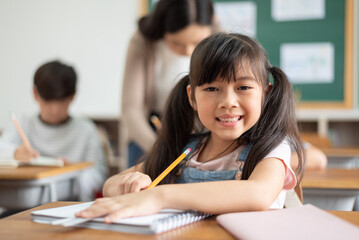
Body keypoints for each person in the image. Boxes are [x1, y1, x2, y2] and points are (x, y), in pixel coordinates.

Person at [76, 32, 305, 222]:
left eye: (243, 87)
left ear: (266, 94)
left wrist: (160, 196)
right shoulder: (188, 150)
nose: (228, 102)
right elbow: (109, 185)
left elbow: (257, 194)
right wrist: (131, 185)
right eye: (212, 89)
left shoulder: (272, 149)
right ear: (192, 98)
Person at [121, 0, 217, 167]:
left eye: (197, 43)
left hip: (204, 132)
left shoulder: (221, 40)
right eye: (176, 43)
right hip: (151, 133)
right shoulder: (143, 42)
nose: (188, 52)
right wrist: (160, 148)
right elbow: (131, 108)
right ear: (162, 27)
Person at [0, 60, 108, 201]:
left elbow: (98, 173)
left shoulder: (86, 130)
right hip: (24, 203)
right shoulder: (25, 124)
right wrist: (15, 153)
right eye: (47, 102)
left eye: (61, 102)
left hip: (70, 204)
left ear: (73, 96)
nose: (54, 110)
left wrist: (72, 174)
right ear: (35, 93)